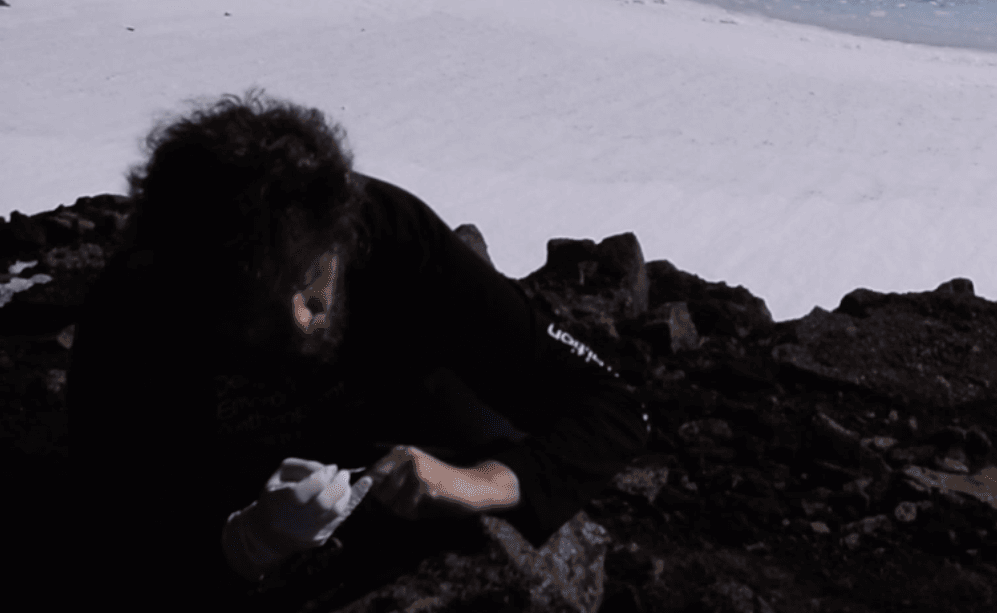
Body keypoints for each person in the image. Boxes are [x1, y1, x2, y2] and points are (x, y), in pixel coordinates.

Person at [65, 91, 647, 603]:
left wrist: (471, 484)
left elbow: (612, 405)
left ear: (339, 237)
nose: (300, 321)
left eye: (312, 283)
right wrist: (246, 543)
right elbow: (112, 513)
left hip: (403, 427)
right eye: (262, 307)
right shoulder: (139, 311)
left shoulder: (387, 234)